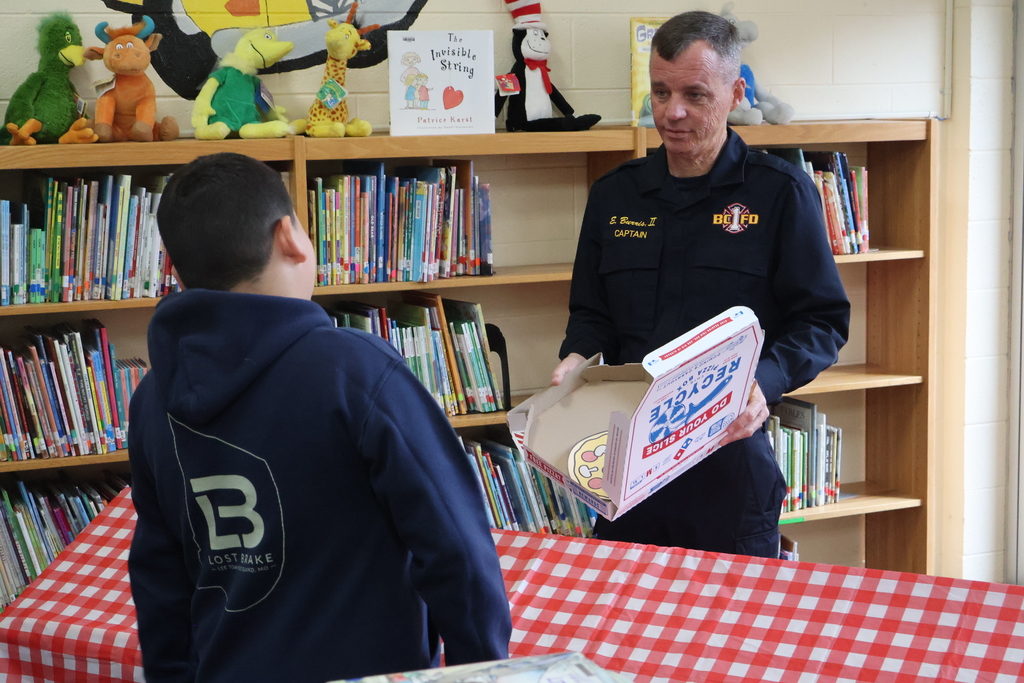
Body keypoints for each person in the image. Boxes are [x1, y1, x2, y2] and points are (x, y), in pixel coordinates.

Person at [127, 152, 512, 682]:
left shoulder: (150, 399)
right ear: (290, 236)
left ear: (172, 265)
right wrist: (481, 670)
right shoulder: (355, 371)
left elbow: (159, 583)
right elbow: (457, 549)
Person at [552, 11, 850, 558]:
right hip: (628, 466)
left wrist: (763, 383)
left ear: (735, 94)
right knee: (627, 610)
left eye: (695, 94)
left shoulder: (780, 194)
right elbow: (592, 314)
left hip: (728, 465)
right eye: (660, 92)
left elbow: (822, 322)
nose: (672, 112)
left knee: (735, 615)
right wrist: (576, 358)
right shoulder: (615, 195)